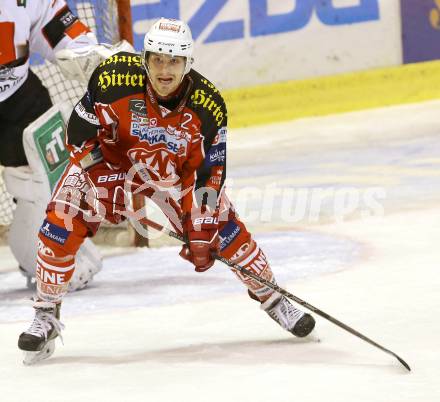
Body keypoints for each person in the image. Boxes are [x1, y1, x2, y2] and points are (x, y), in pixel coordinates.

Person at [17, 17, 316, 365]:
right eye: (157, 59)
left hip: (174, 175)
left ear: (188, 63)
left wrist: (202, 231)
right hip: (108, 161)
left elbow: (210, 175)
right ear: (145, 60)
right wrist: (100, 177)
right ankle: (46, 315)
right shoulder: (113, 78)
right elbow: (79, 133)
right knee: (59, 225)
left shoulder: (209, 105)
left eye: (174, 60)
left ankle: (274, 299)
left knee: (226, 231)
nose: (164, 69)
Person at [0, 0, 112, 291]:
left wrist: (89, 54)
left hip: (17, 97)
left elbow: (56, 25)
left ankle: (41, 251)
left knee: (46, 177)